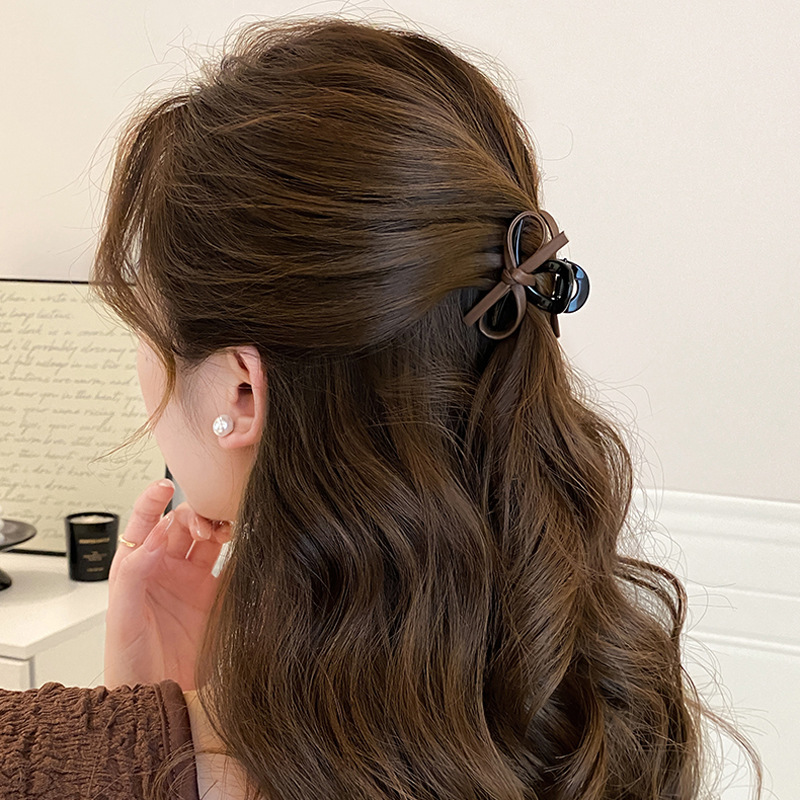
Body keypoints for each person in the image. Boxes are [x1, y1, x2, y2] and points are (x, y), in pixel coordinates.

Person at [0, 14, 762, 800]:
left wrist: (135, 740)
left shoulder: (27, 757)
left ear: (240, 391)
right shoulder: (615, 713)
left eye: (145, 327)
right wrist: (148, 719)